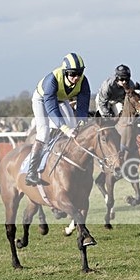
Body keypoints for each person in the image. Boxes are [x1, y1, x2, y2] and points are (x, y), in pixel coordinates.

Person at [26, 52, 91, 186]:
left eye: (79, 73)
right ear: (65, 72)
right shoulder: (52, 81)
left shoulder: (83, 81)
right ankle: (31, 173)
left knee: (75, 128)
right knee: (44, 132)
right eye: (73, 74)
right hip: (42, 100)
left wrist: (82, 122)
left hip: (62, 99)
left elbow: (83, 107)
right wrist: (65, 128)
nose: (76, 77)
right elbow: (52, 110)